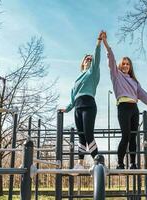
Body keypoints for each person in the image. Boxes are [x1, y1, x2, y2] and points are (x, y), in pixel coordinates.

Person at [101, 32, 147, 169]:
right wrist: (105, 43)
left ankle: (133, 163)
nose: (126, 65)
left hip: (134, 108)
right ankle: (120, 163)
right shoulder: (116, 76)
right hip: (123, 107)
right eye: (123, 63)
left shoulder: (134, 82)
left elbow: (143, 94)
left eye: (128, 64)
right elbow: (111, 59)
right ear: (120, 65)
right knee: (126, 136)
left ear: (130, 66)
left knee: (134, 136)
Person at [60, 31, 104, 169]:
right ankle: (79, 164)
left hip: (89, 105)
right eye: (87, 59)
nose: (89, 60)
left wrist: (98, 42)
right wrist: (66, 109)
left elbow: (96, 58)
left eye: (90, 59)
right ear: (83, 62)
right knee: (81, 137)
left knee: (88, 134)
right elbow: (73, 99)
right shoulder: (77, 79)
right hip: (78, 107)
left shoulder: (93, 73)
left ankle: (99, 163)